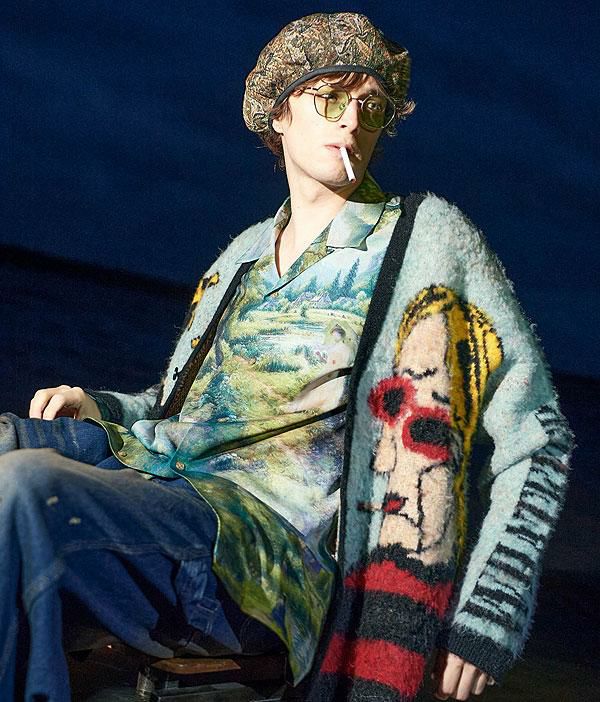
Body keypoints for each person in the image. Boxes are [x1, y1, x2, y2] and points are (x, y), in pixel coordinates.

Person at [0, 12, 574, 702]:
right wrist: (101, 407)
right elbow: (184, 409)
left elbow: (538, 435)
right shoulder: (243, 254)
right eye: (330, 98)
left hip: (264, 551)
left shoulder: (426, 242)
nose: (352, 121)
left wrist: (490, 609)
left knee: (28, 487)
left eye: (372, 107)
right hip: (163, 485)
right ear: (279, 114)